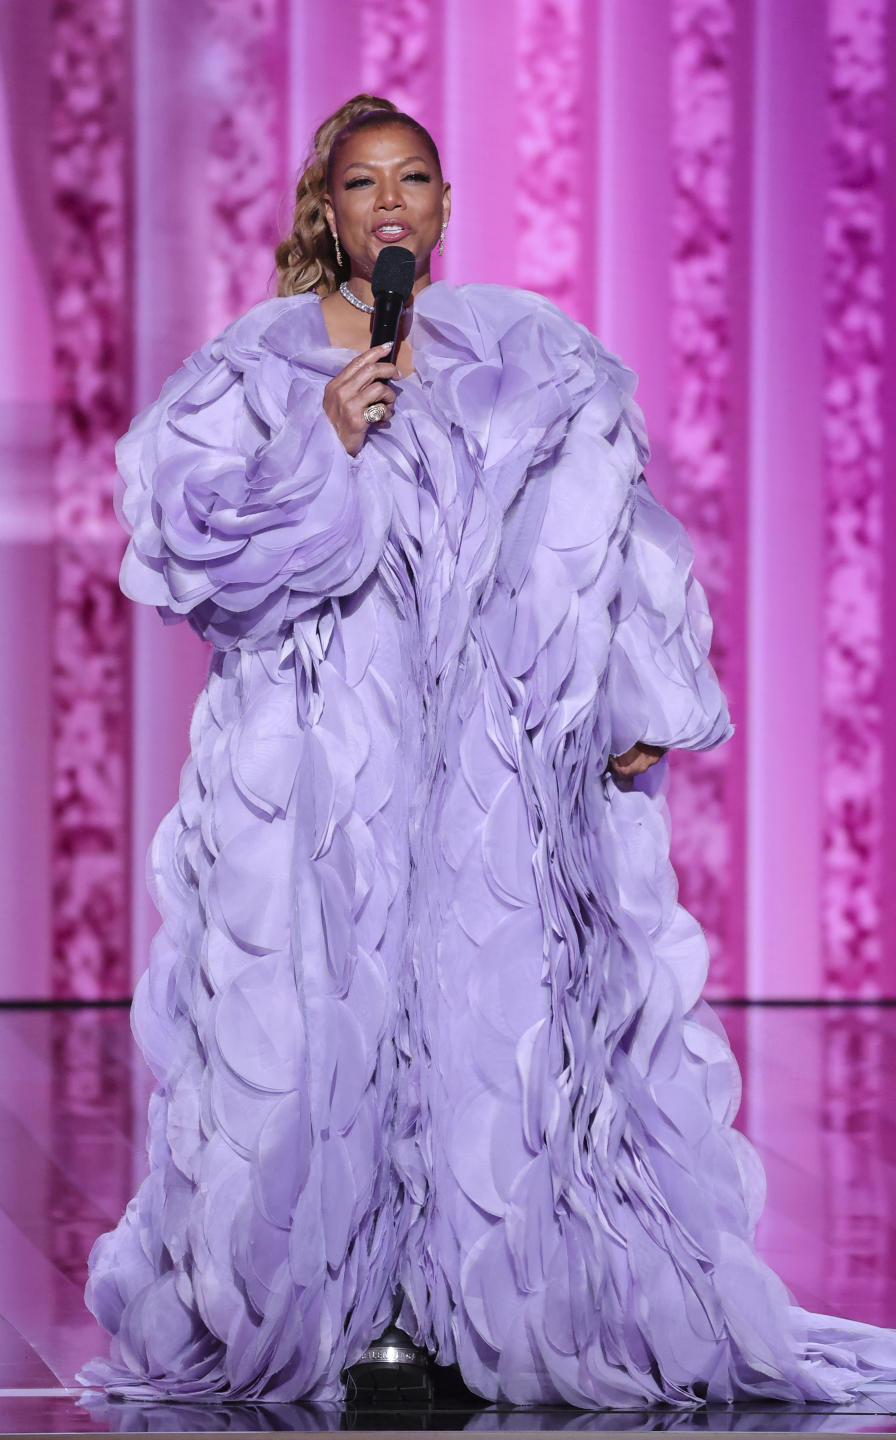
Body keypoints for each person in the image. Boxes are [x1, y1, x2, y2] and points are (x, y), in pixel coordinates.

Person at [78, 94, 896, 1409]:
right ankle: (329, 1304)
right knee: (309, 1038)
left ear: (442, 209)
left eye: (414, 179)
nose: (390, 202)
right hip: (314, 775)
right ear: (326, 212)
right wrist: (323, 440)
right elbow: (194, 551)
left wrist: (640, 702)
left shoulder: (528, 359)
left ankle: (475, 1297)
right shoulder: (259, 367)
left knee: (490, 1029)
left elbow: (617, 532)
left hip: (488, 776)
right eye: (362, 182)